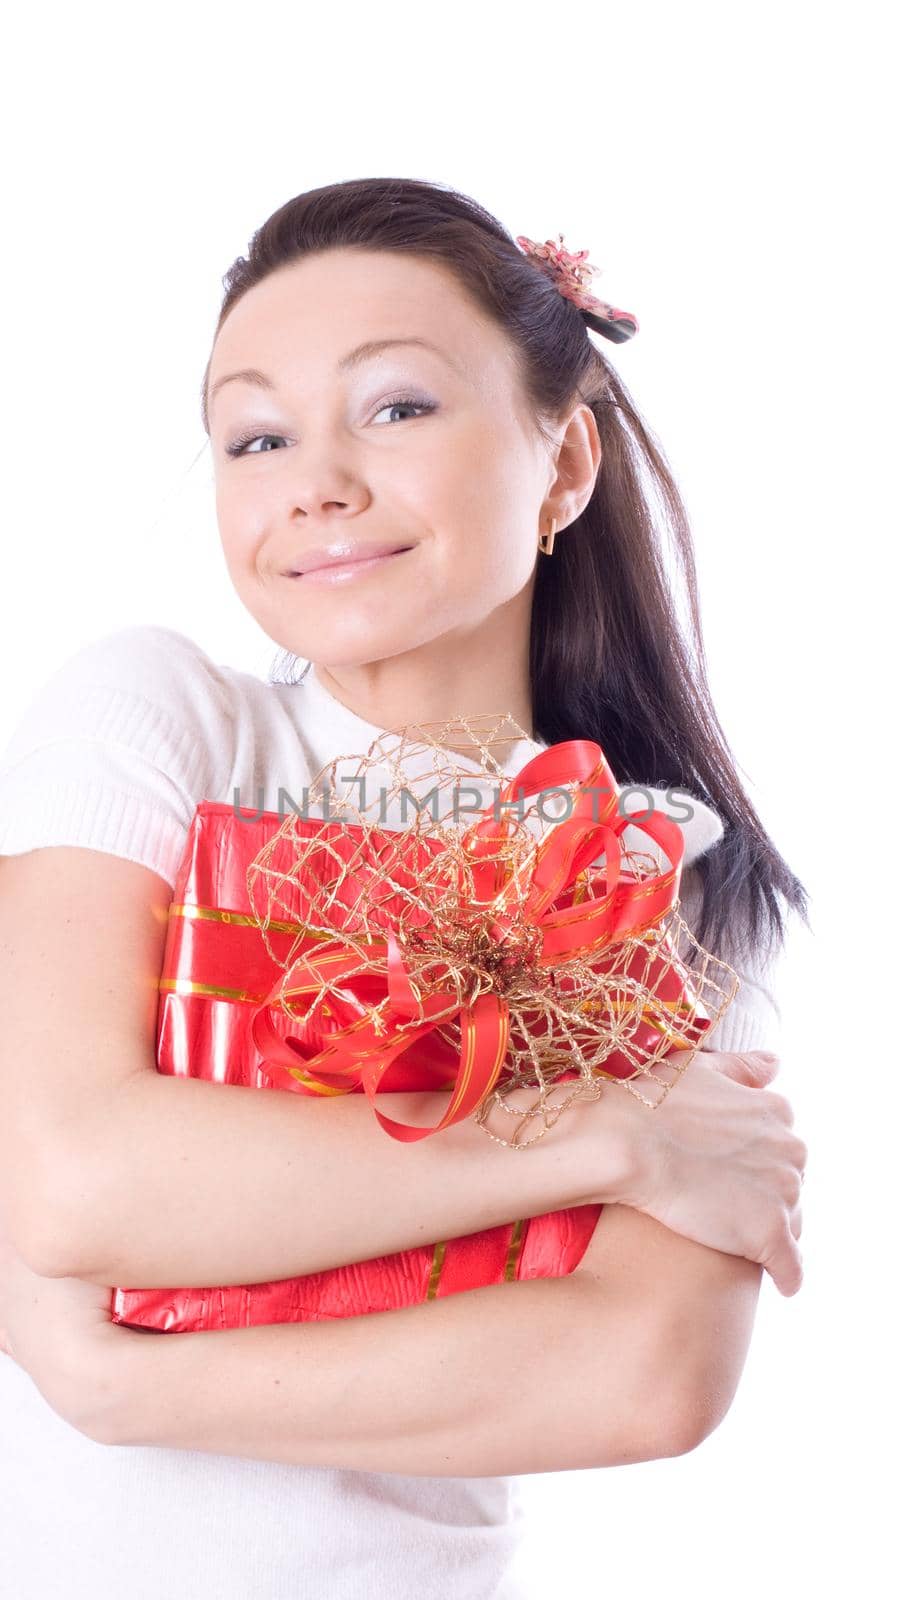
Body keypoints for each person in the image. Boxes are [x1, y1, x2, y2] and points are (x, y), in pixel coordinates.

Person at [0, 176, 808, 1599]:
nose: (317, 480)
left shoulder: (659, 871)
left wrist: (119, 1388)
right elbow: (76, 1178)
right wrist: (602, 1137)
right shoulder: (161, 717)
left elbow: (647, 1374)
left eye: (396, 407)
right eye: (257, 433)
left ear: (563, 466)